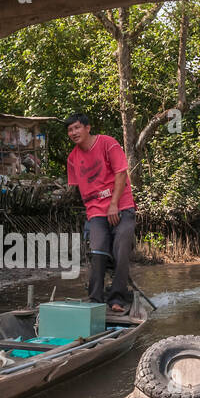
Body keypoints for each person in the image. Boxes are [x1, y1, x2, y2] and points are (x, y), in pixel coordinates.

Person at [65, 113, 137, 315]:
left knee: (121, 250)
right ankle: (95, 299)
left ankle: (116, 298)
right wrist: (93, 212)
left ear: (88, 128)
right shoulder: (73, 158)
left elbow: (121, 172)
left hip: (121, 205)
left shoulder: (107, 143)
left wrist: (113, 204)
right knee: (97, 252)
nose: (73, 133)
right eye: (70, 130)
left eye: (77, 127)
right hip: (96, 212)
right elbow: (79, 188)